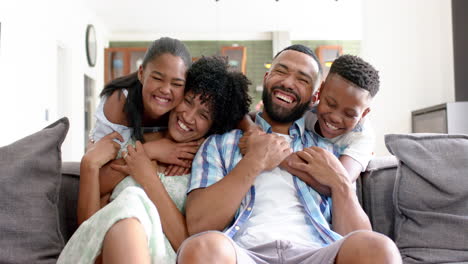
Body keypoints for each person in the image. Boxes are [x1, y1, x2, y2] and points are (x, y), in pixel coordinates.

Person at [177, 45, 401, 264]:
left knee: (380, 248)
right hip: (244, 253)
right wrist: (255, 160)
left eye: (302, 79)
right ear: (266, 78)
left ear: (316, 96)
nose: (288, 82)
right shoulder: (220, 144)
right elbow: (199, 225)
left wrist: (340, 183)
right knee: (201, 248)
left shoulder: (332, 151)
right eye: (281, 71)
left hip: (317, 253)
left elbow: (358, 238)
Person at [57, 56, 252, 264]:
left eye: (203, 115)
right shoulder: (131, 145)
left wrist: (147, 177)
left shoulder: (205, 168)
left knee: (132, 199)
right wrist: (149, 152)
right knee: (129, 204)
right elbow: (89, 231)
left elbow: (188, 245)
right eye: (188, 101)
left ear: (214, 126)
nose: (188, 116)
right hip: (109, 252)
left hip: (164, 258)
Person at [89, 36, 199, 173]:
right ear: (141, 73)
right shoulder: (118, 103)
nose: (165, 90)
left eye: (177, 84)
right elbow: (98, 170)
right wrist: (151, 150)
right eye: (158, 78)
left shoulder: (183, 107)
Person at [281, 54, 380, 195]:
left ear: (364, 114)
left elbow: (336, 185)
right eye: (330, 104)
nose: (335, 118)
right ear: (320, 91)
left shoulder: (362, 137)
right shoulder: (308, 110)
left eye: (349, 114)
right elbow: (259, 116)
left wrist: (281, 158)